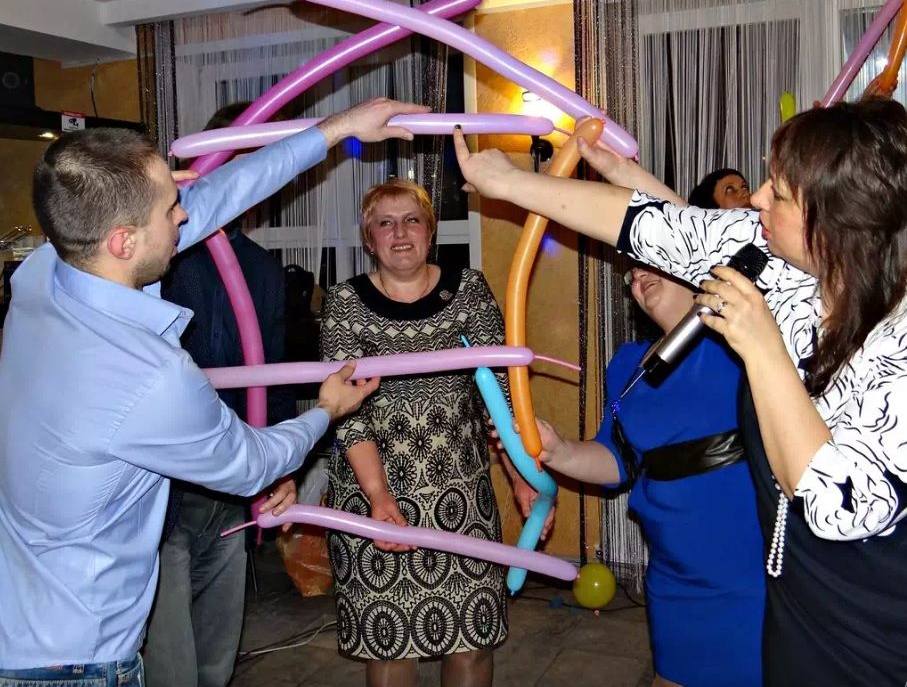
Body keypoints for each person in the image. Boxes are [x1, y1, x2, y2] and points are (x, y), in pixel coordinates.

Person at [0, 98, 426, 686]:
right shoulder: (146, 373)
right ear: (123, 241)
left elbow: (218, 196)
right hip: (69, 667)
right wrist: (325, 411)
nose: (186, 213)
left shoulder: (44, 272)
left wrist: (337, 130)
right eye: (171, 205)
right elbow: (251, 465)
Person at [452, 100, 907, 686]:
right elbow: (671, 230)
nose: (756, 198)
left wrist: (762, 346)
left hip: (871, 626)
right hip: (795, 605)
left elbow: (834, 506)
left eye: (779, 192)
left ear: (838, 220)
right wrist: (510, 182)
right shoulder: (794, 274)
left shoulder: (895, 339)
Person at [321, 179, 546, 687]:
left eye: (412, 220)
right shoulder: (345, 301)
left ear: (431, 230)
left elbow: (500, 397)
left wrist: (521, 476)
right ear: (369, 239)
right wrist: (378, 495)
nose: (400, 233)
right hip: (372, 495)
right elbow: (345, 411)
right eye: (385, 223)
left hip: (460, 498)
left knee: (472, 639)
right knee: (390, 646)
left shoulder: (468, 290)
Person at [536, 261, 763, 687]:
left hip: (750, 569)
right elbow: (617, 459)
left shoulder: (742, 338)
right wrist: (559, 450)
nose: (639, 276)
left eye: (652, 263)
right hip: (673, 573)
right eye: (632, 273)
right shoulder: (627, 365)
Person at [142, 101, 298, 687]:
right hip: (163, 485)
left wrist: (281, 464)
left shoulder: (262, 268)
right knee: (169, 658)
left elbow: (272, 372)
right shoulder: (157, 258)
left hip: (232, 477)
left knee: (216, 652)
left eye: (259, 165)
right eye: (238, 161)